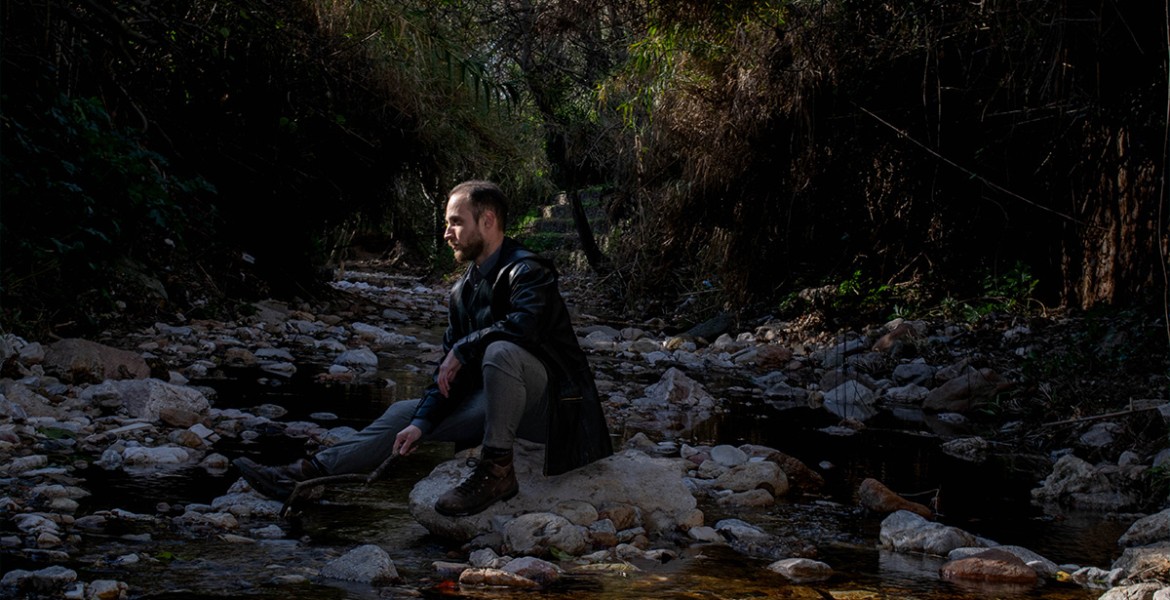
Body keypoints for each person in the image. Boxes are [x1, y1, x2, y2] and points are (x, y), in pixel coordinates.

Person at [234, 180, 613, 517]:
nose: (447, 232)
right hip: (496, 401)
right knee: (406, 414)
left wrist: (465, 348)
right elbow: (446, 377)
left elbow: (524, 329)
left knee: (502, 351)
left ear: (489, 221)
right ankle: (306, 475)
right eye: (447, 223)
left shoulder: (528, 271)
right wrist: (423, 422)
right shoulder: (461, 291)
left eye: (455, 222)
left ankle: (498, 472)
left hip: (550, 412)